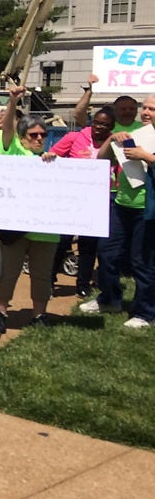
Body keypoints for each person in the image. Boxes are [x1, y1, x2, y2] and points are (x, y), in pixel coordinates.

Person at [0, 87, 60, 331]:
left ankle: (39, 315)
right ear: (22, 138)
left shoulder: (53, 161)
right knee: (9, 272)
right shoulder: (14, 151)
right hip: (15, 227)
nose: (39, 139)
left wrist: (52, 164)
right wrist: (12, 102)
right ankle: (0, 313)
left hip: (46, 230)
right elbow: (7, 128)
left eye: (42, 134)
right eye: (33, 135)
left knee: (42, 274)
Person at [86, 94, 155, 327]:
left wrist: (145, 156)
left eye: (151, 109)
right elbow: (102, 158)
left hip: (147, 208)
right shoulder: (131, 132)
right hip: (121, 202)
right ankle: (109, 299)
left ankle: (144, 312)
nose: (146, 112)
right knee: (106, 254)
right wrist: (112, 138)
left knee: (142, 262)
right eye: (144, 107)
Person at [51, 104, 114, 298]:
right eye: (96, 122)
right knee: (62, 241)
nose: (99, 127)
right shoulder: (74, 137)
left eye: (104, 124)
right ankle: (50, 280)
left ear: (111, 127)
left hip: (96, 201)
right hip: (71, 199)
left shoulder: (114, 143)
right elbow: (53, 155)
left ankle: (83, 284)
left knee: (88, 246)